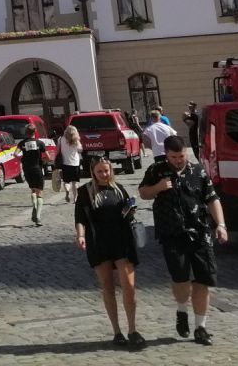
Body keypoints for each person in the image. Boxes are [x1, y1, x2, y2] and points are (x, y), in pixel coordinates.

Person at [139, 135, 227, 345]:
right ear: (166, 154)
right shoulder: (157, 170)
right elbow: (143, 193)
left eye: (181, 155)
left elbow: (212, 198)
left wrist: (221, 225)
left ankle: (201, 327)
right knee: (181, 280)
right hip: (172, 233)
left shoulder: (197, 171)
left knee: (203, 280)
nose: (179, 160)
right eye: (174, 156)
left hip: (200, 232)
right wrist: (158, 188)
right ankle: (181, 310)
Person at [75, 155, 144, 350]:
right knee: (108, 287)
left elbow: (125, 213)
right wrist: (80, 236)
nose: (104, 175)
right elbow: (80, 217)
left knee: (129, 286)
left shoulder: (119, 189)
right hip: (99, 242)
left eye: (107, 171)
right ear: (93, 173)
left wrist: (130, 211)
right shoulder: (85, 192)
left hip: (122, 241)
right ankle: (117, 331)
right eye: (100, 172)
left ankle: (132, 329)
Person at [17, 129, 48, 225]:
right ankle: (38, 217)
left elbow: (14, 154)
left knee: (33, 189)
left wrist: (21, 159)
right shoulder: (40, 143)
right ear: (35, 132)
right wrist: (45, 160)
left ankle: (34, 204)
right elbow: (48, 157)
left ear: (26, 132)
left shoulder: (22, 143)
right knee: (40, 192)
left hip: (27, 169)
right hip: (37, 169)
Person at [58, 125, 84, 201]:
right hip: (75, 163)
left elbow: (58, 150)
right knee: (75, 183)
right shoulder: (76, 140)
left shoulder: (61, 139)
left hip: (65, 163)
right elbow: (80, 150)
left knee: (66, 181)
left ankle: (67, 191)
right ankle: (75, 199)